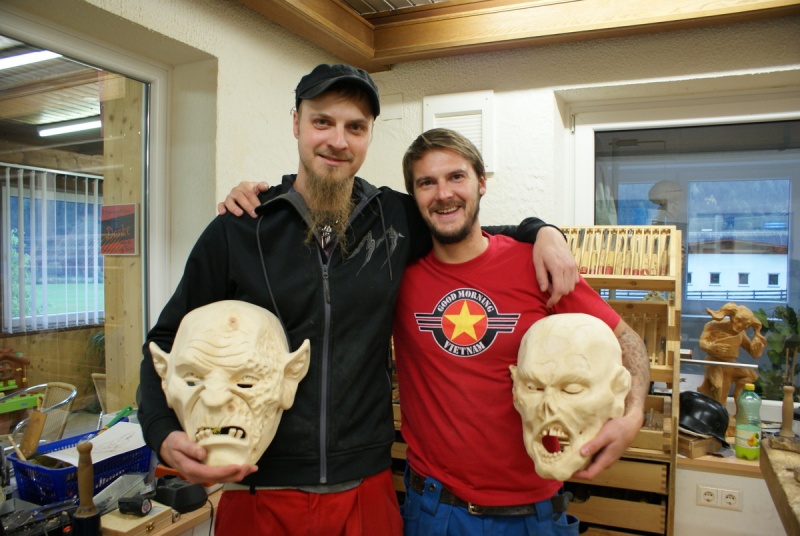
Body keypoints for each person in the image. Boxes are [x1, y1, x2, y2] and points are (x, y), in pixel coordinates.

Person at [140, 63, 578, 535]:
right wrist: (162, 431)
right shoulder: (240, 229)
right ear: (296, 123)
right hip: (260, 488)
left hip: (365, 488)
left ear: (369, 135)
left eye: (355, 127)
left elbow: (467, 227)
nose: (338, 141)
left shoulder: (395, 218)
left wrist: (543, 231)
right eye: (322, 122)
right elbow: (166, 339)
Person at [392, 128, 650, 535]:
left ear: (481, 182)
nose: (443, 194)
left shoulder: (536, 265)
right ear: (415, 196)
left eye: (456, 176)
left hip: (534, 513)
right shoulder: (397, 276)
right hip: (435, 509)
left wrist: (633, 416)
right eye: (427, 183)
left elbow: (626, 339)